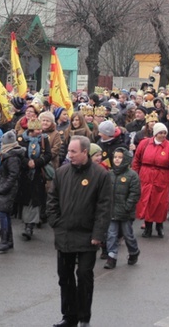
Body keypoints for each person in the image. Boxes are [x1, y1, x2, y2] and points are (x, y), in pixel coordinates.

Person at [46, 135, 110, 327]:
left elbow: (104, 207)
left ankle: (84, 317)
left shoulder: (100, 175)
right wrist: (56, 223)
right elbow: (52, 201)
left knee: (83, 276)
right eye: (69, 151)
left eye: (73, 152)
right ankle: (69, 316)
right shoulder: (62, 172)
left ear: (85, 152)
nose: (69, 155)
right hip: (64, 234)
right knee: (64, 277)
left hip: (87, 236)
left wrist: (98, 234)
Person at [132, 123, 169, 238]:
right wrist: (134, 175)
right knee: (146, 201)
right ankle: (148, 226)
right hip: (145, 177)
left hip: (161, 177)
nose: (163, 135)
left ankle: (159, 225)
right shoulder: (144, 143)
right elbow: (136, 160)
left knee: (160, 203)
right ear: (155, 133)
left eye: (165, 133)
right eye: (160, 133)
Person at [103, 147, 140, 269]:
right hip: (112, 211)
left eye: (120, 157)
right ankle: (111, 257)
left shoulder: (132, 175)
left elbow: (135, 193)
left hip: (125, 212)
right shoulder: (110, 174)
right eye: (115, 157)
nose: (117, 160)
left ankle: (133, 252)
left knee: (128, 234)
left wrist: (127, 206)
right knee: (111, 234)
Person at [17, 119, 52, 241]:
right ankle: (26, 223)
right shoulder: (21, 139)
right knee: (26, 199)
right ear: (31, 130)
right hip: (25, 175)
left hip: (37, 174)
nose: (40, 131)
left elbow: (48, 155)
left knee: (35, 199)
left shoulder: (44, 139)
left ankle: (30, 226)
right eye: (37, 129)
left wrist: (36, 163)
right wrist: (27, 163)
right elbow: (19, 155)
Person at [0, 131, 24, 253]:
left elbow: (13, 175)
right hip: (7, 187)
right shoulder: (10, 155)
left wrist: (3, 188)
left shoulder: (11, 157)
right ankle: (8, 240)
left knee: (3, 214)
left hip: (7, 189)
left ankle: (5, 240)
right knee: (4, 213)